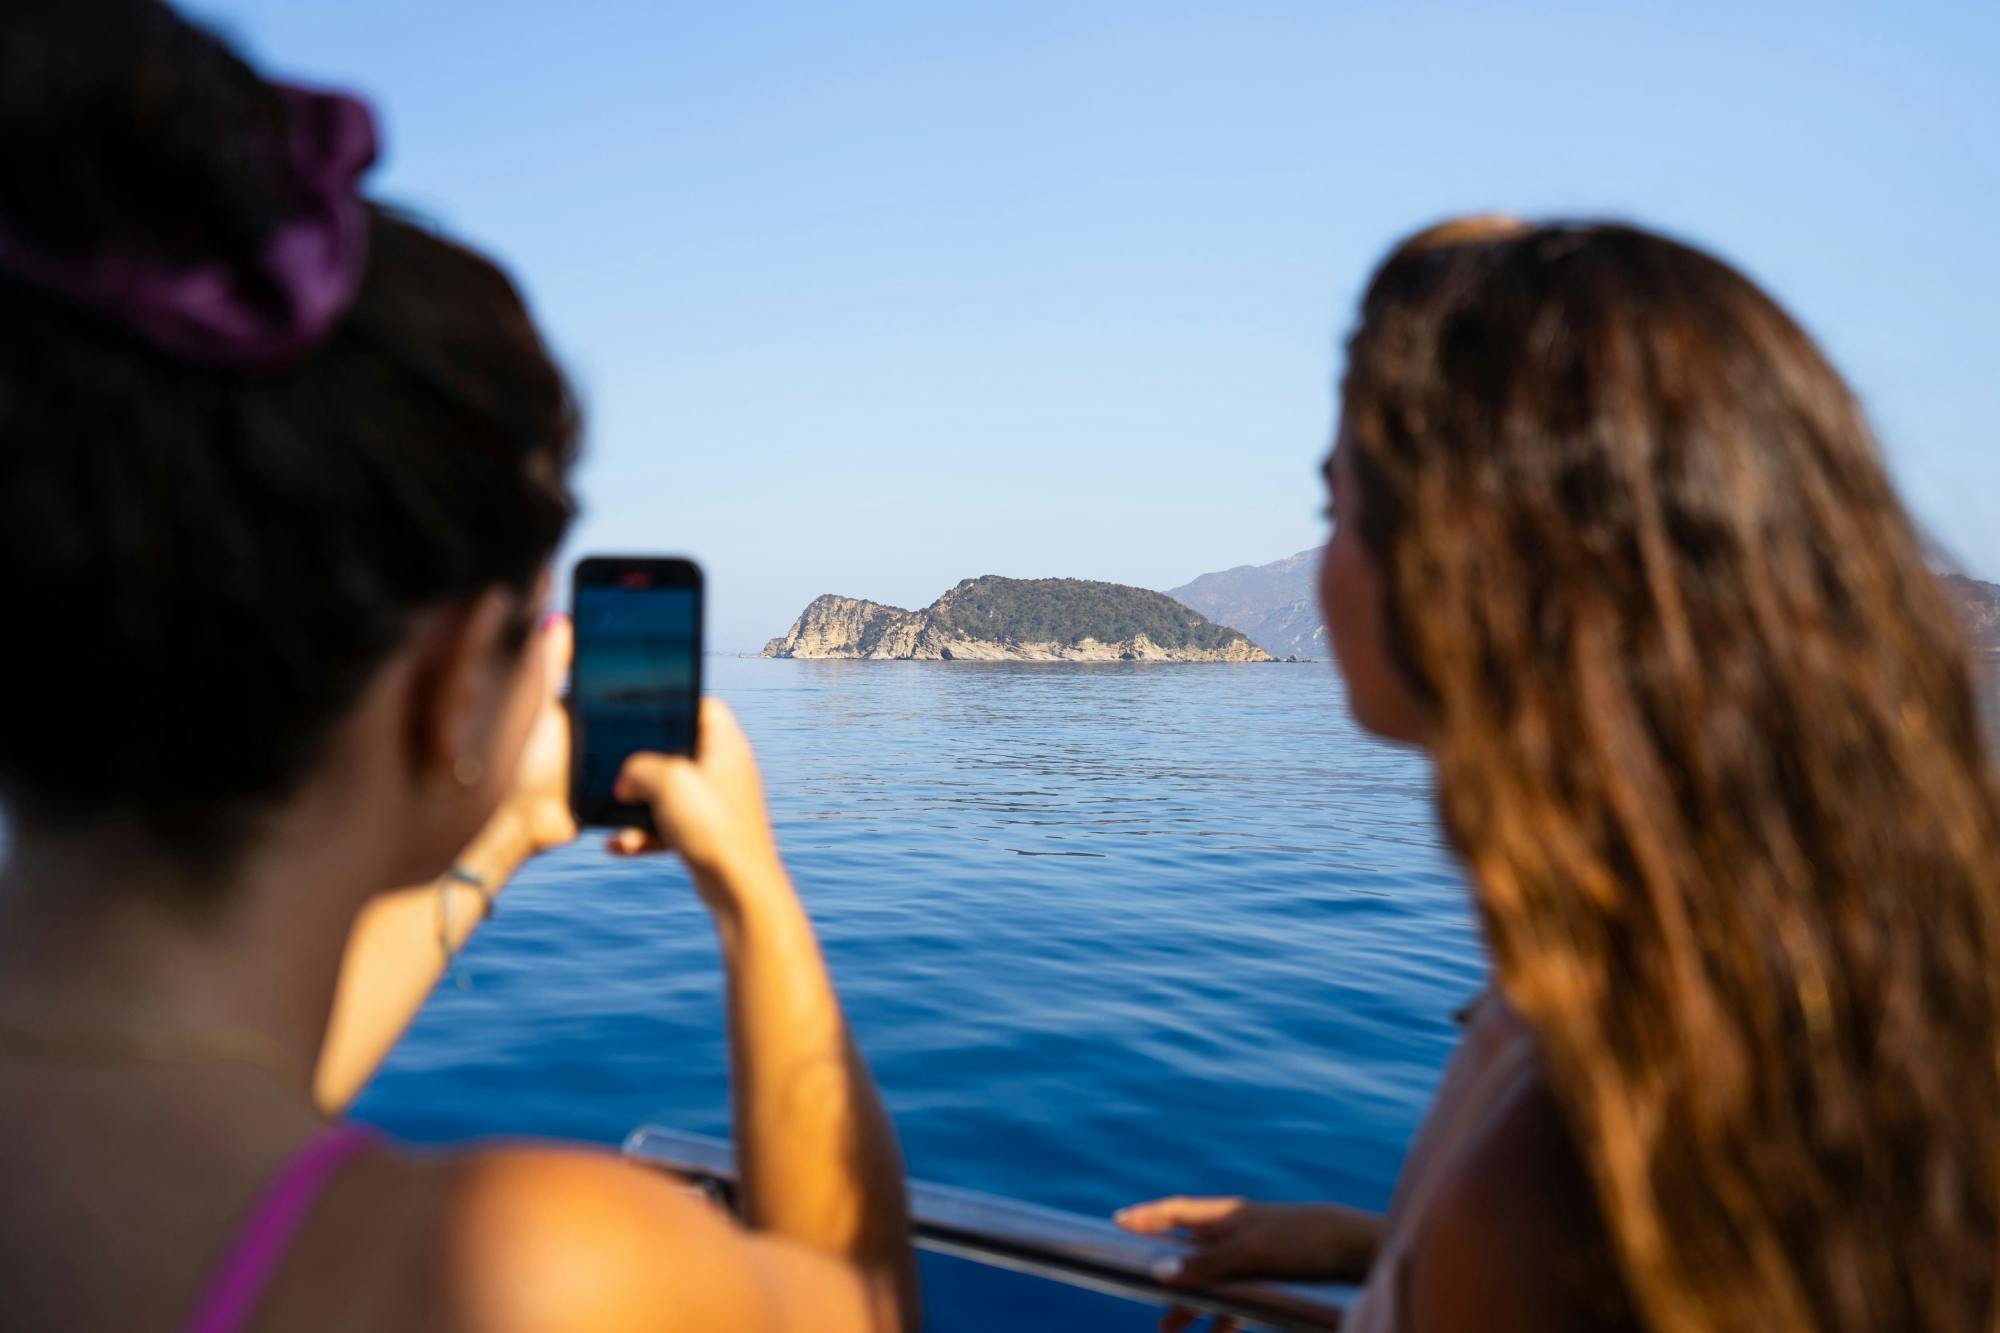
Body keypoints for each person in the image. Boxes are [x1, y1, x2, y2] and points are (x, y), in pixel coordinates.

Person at [0, 3, 917, 1329]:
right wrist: (752, 892)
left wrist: (503, 829)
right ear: (447, 681)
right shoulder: (512, 1271)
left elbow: (216, 1068)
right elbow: (867, 1306)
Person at [1118, 217, 2000, 1332]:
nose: (1323, 559)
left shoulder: (1548, 1175)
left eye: (1336, 509)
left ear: (1469, 568)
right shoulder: (1808, 978)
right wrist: (1382, 1248)